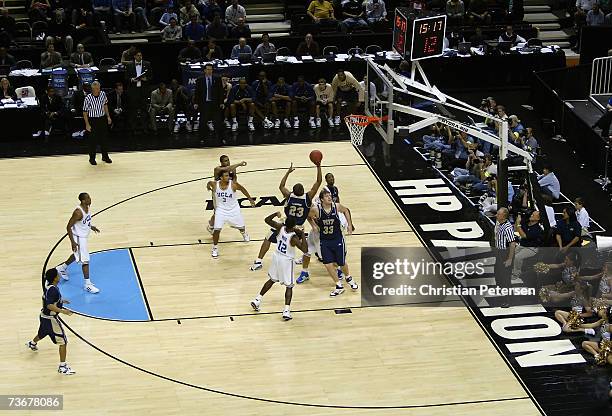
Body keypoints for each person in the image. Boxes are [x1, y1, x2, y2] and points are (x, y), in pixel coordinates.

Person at [251, 162, 322, 271]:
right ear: (303, 191)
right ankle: (304, 268)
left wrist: (288, 172)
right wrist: (318, 166)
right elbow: (318, 182)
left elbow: (281, 186)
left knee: (268, 237)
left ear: (294, 191)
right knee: (305, 248)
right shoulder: (307, 197)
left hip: (285, 224)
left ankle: (258, 261)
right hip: (298, 227)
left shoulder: (289, 196)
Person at [250, 213, 308, 321]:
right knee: (289, 286)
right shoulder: (294, 237)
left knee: (271, 280)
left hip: (276, 257)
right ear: (294, 225)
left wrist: (275, 214)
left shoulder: (280, 227)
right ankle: (286, 311)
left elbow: (267, 219)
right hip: (286, 260)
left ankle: (257, 299)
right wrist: (303, 234)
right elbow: (305, 250)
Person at [306, 189, 357, 296]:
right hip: (325, 241)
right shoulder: (316, 210)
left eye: (330, 195)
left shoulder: (336, 206)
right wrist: (313, 225)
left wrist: (349, 224)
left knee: (341, 262)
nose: (329, 197)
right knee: (328, 264)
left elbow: (346, 210)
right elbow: (307, 215)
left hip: (337, 239)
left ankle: (349, 278)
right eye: (326, 196)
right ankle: (338, 285)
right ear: (321, 199)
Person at [26, 269, 75, 375]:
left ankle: (32, 343)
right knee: (63, 342)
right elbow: (49, 305)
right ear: (55, 278)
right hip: (50, 319)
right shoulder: (53, 290)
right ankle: (63, 367)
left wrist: (61, 301)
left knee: (43, 332)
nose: (59, 276)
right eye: (58, 275)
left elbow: (50, 299)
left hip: (43, 316)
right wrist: (63, 311)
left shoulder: (49, 286)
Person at [55, 192, 102, 293]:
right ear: (83, 200)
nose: (90, 199)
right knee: (85, 260)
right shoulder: (78, 212)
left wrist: (91, 226)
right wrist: (73, 242)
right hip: (78, 237)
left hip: (83, 236)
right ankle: (87, 284)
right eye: (88, 198)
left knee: (78, 255)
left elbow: (85, 220)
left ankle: (62, 268)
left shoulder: (88, 207)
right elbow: (68, 227)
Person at [206, 171, 255, 258]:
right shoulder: (215, 184)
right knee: (216, 230)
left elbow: (243, 189)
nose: (228, 177)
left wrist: (250, 200)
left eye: (228, 176)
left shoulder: (233, 184)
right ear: (221, 178)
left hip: (234, 210)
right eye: (226, 176)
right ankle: (215, 248)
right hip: (221, 210)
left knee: (241, 227)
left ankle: (244, 233)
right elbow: (209, 183)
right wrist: (208, 186)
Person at [206, 156, 246, 232]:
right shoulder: (217, 169)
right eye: (225, 161)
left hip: (228, 192)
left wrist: (233, 186)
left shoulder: (232, 168)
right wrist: (239, 164)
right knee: (217, 212)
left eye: (228, 160)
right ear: (221, 162)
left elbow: (234, 178)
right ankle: (211, 225)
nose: (227, 162)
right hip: (218, 193)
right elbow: (226, 169)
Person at [83, 81, 113, 165]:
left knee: (104, 139)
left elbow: (105, 105)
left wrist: (108, 116)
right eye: (96, 88)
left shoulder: (103, 94)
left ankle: (105, 156)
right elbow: (84, 112)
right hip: (93, 120)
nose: (98, 90)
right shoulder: (88, 98)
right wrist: (87, 124)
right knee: (92, 141)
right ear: (92, 89)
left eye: (99, 88)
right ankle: (92, 158)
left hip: (102, 119)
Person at [511, 209, 543, 280]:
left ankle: (516, 274)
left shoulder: (537, 229)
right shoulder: (527, 223)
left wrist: (519, 224)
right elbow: (516, 229)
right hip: (523, 245)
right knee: (512, 253)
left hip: (531, 248)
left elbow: (524, 236)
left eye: (533, 215)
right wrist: (517, 220)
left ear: (538, 219)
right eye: (531, 214)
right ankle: (514, 269)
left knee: (518, 257)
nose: (531, 215)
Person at [194, 63, 224, 139]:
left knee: (218, 121)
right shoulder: (200, 79)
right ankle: (202, 138)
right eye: (208, 69)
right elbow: (197, 92)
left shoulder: (217, 78)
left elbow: (220, 91)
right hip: (204, 104)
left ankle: (221, 138)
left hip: (215, 104)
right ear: (204, 70)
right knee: (203, 122)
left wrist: (221, 102)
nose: (209, 71)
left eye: (211, 69)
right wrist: (196, 103)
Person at [125, 50, 152, 132]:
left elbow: (151, 76)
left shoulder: (147, 64)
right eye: (138, 55)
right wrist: (131, 79)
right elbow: (126, 77)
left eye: (141, 55)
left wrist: (146, 79)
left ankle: (145, 127)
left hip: (143, 91)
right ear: (134, 56)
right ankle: (133, 128)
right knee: (133, 110)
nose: (139, 57)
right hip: (133, 91)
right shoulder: (129, 65)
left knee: (144, 109)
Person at [494, 207, 516, 308]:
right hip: (499, 252)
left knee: (505, 277)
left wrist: (510, 259)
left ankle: (508, 300)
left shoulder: (507, 227)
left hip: (505, 253)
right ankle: (503, 296)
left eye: (498, 214)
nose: (496, 215)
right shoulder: (500, 224)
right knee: (498, 275)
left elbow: (512, 243)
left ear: (504, 216)